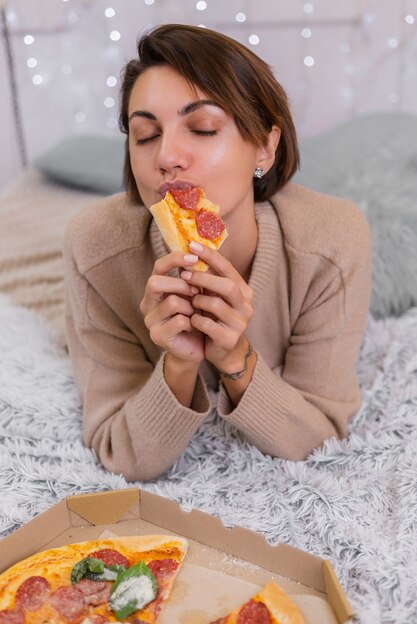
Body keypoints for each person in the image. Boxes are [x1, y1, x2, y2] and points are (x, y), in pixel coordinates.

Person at [63, 24, 372, 482]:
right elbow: (119, 452)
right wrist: (181, 362)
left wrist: (233, 357)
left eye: (203, 128)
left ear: (265, 145)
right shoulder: (94, 247)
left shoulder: (331, 240)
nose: (166, 156)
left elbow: (321, 434)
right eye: (145, 135)